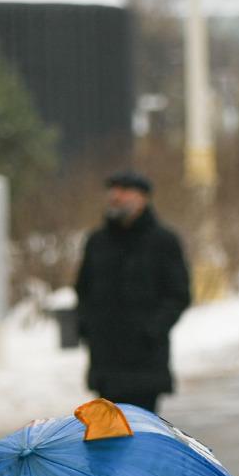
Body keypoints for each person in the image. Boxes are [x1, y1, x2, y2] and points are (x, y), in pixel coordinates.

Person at [73, 170, 190, 412]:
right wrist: (87, 328)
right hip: (105, 360)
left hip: (144, 362)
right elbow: (82, 289)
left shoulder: (163, 241)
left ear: (142, 198)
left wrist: (151, 330)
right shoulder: (97, 241)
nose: (115, 197)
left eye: (124, 191)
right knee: (107, 437)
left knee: (141, 434)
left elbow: (178, 294)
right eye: (112, 191)